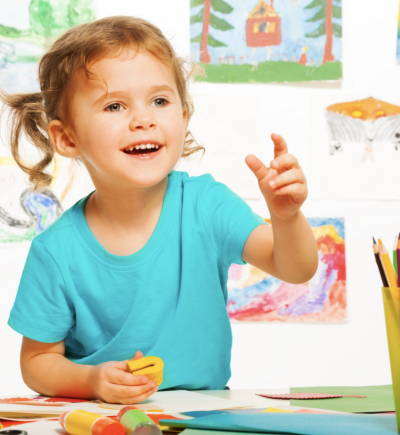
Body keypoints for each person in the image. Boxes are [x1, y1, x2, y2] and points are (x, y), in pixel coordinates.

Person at [5, 16, 318, 405]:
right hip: (101, 417)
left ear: (183, 116)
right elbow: (37, 362)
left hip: (206, 416)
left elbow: (296, 268)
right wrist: (92, 381)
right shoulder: (55, 251)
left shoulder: (207, 205)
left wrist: (287, 218)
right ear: (67, 138)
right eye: (115, 105)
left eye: (160, 101)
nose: (143, 119)